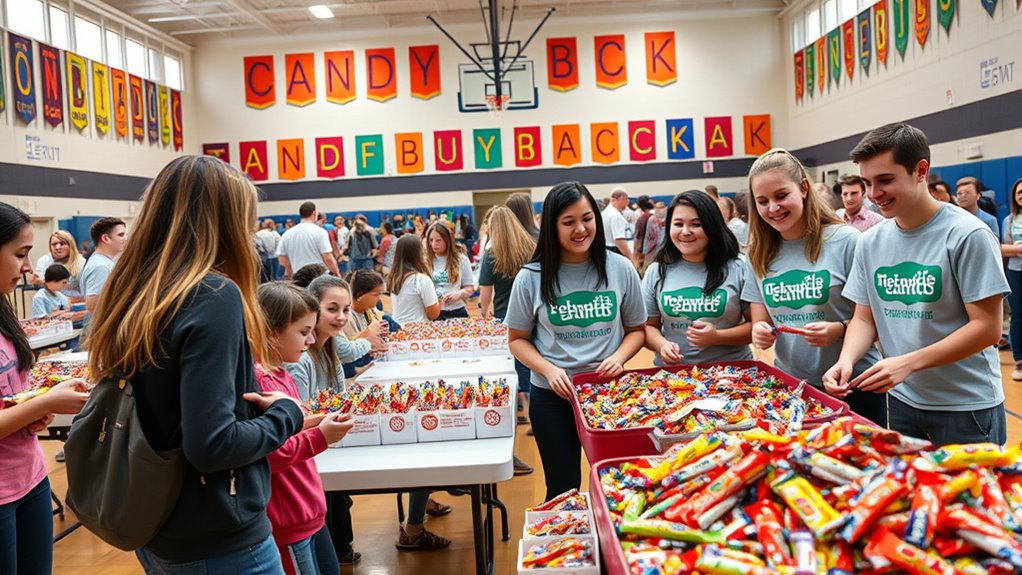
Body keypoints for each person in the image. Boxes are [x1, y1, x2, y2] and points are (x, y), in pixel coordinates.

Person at [87, 156, 305, 573]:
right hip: (217, 534)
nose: (251, 232)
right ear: (225, 223)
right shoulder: (212, 295)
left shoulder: (133, 289)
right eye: (246, 220)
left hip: (158, 521)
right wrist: (285, 414)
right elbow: (213, 444)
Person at [824, 123, 1009, 445]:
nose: (873, 194)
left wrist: (908, 363)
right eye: (867, 183)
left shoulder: (968, 235)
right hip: (902, 400)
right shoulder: (870, 242)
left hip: (966, 406)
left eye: (885, 180)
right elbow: (864, 318)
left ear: (921, 171)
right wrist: (846, 360)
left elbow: (987, 328)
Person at [505, 181, 646, 500]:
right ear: (551, 226)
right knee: (562, 488)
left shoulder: (620, 268)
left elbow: (637, 329)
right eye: (569, 222)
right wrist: (548, 369)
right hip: (552, 397)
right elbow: (517, 339)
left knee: (619, 486)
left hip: (609, 393)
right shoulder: (531, 277)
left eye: (587, 218)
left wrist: (619, 357)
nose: (581, 229)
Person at [743, 149, 887, 427]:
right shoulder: (757, 253)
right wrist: (760, 332)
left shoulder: (846, 241)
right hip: (792, 388)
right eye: (762, 201)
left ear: (803, 188)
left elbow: (878, 320)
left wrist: (839, 329)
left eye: (781, 196)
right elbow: (761, 321)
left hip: (853, 384)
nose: (773, 208)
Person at [0, 202, 90, 575]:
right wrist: (43, 403)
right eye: (20, 254)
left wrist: (36, 407)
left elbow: (11, 397)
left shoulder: (4, 313)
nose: (27, 267)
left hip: (30, 477)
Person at [255, 282, 354, 575]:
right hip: (289, 519)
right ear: (272, 333)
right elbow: (272, 451)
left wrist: (309, 422)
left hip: (309, 511)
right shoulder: (262, 382)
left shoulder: (282, 374)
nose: (311, 340)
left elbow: (289, 429)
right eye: (303, 332)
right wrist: (320, 436)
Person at [643, 191, 753, 365]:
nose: (685, 232)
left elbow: (757, 325)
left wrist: (717, 336)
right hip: (674, 375)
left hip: (732, 373)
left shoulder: (739, 267)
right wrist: (661, 345)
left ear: (712, 226)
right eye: (678, 224)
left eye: (696, 224)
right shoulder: (657, 271)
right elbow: (648, 326)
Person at [477, 206, 537, 476]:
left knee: (510, 380)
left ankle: (510, 442)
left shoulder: (491, 256)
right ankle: (537, 421)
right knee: (533, 373)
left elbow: (485, 296)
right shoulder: (531, 249)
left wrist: (484, 314)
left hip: (507, 322)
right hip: (534, 319)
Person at [342, 269, 394, 378]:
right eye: (376, 295)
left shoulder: (371, 311)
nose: (379, 299)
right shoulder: (347, 319)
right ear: (359, 295)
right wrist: (369, 333)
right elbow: (348, 355)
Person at [425, 222, 475, 320]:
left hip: (457, 311)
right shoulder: (426, 261)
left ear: (447, 240)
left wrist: (458, 294)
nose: (434, 244)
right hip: (435, 312)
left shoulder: (461, 259)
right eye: (431, 240)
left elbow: (469, 288)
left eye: (438, 240)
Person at [387, 235, 441, 324]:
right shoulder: (421, 280)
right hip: (417, 328)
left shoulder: (394, 277)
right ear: (419, 254)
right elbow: (433, 315)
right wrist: (440, 303)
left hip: (398, 327)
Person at [278, 202, 339, 278]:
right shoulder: (320, 232)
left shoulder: (286, 234)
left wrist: (290, 272)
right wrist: (336, 273)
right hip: (318, 277)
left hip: (298, 277)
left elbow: (282, 259)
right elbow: (328, 257)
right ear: (314, 213)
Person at [79, 216, 127, 314]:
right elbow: (94, 307)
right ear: (105, 238)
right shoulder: (100, 267)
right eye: (121, 235)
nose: (126, 238)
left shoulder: (105, 262)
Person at [1002, 178, 1022, 381]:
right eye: (1019, 192)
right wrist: (1019, 249)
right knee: (1017, 316)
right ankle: (1020, 361)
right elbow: (1003, 248)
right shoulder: (1009, 220)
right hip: (1016, 271)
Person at [601, 188, 634, 262]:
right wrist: (630, 258)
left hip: (606, 249)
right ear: (616, 199)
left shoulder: (605, 213)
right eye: (626, 199)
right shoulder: (616, 216)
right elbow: (619, 240)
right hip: (615, 250)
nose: (628, 201)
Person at [631, 196, 656, 271]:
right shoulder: (652, 216)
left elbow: (637, 236)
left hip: (643, 248)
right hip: (651, 249)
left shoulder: (641, 216)